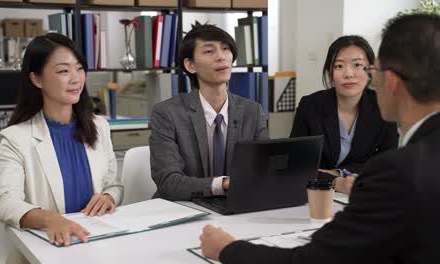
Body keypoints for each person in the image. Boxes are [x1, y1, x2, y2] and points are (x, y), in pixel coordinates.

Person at [199, 14, 440, 263]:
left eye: (368, 68)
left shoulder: (397, 172)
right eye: (339, 66)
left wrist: (227, 249)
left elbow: (312, 260)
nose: (351, 74)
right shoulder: (315, 106)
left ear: (389, 81)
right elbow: (298, 166)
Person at [0, 33, 123, 258]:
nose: (76, 78)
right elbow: (6, 203)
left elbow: (114, 185)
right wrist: (51, 219)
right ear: (37, 79)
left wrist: (108, 197)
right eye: (63, 71)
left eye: (80, 68)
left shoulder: (99, 127)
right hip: (47, 249)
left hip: (94, 243)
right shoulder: (15, 138)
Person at [149, 24, 268, 201]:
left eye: (225, 49)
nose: (221, 57)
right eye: (209, 51)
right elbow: (169, 183)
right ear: (190, 65)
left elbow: (264, 169)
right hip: (183, 208)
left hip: (238, 206)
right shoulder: (167, 113)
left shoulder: (252, 111)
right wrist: (223, 184)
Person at [290, 35, 398, 195]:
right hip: (315, 194)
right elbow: (295, 164)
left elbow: (388, 161)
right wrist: (336, 182)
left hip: (365, 193)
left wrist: (339, 172)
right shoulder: (310, 106)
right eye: (339, 66)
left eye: (357, 65)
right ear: (330, 73)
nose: (348, 74)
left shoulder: (384, 106)